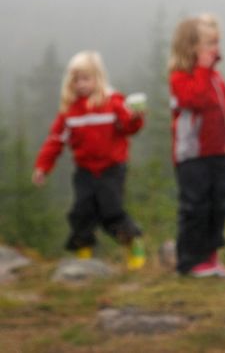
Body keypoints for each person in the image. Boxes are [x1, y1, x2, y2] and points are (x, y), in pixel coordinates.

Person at [32, 51, 147, 270]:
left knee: (111, 211)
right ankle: (83, 257)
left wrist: (136, 117)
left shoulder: (113, 101)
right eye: (76, 80)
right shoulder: (69, 111)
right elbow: (55, 141)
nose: (81, 84)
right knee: (81, 212)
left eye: (86, 79)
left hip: (112, 169)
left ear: (98, 78)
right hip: (84, 171)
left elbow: (129, 128)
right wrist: (42, 167)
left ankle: (133, 244)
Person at [168, 13, 225, 278]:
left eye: (217, 43)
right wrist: (201, 68)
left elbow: (224, 113)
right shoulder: (180, 77)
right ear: (190, 47)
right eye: (210, 44)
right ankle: (189, 261)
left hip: (218, 154)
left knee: (218, 207)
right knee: (195, 208)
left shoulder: (216, 78)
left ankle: (210, 258)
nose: (216, 50)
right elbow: (196, 100)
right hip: (193, 156)